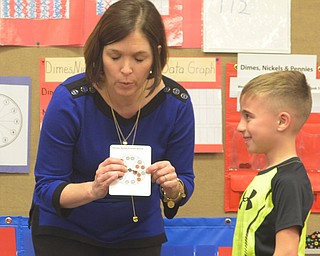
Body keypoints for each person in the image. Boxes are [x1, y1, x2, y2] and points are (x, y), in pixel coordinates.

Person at [29, 1, 195, 255]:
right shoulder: (71, 99)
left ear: (156, 55)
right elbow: (46, 187)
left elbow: (184, 181)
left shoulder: (176, 103)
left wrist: (173, 187)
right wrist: (93, 189)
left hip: (138, 233)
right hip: (66, 232)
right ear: (99, 53)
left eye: (140, 58)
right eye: (115, 56)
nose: (126, 70)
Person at [232, 71, 314, 255]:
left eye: (248, 116)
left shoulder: (289, 181)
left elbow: (286, 252)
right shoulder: (269, 176)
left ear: (282, 121)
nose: (240, 126)